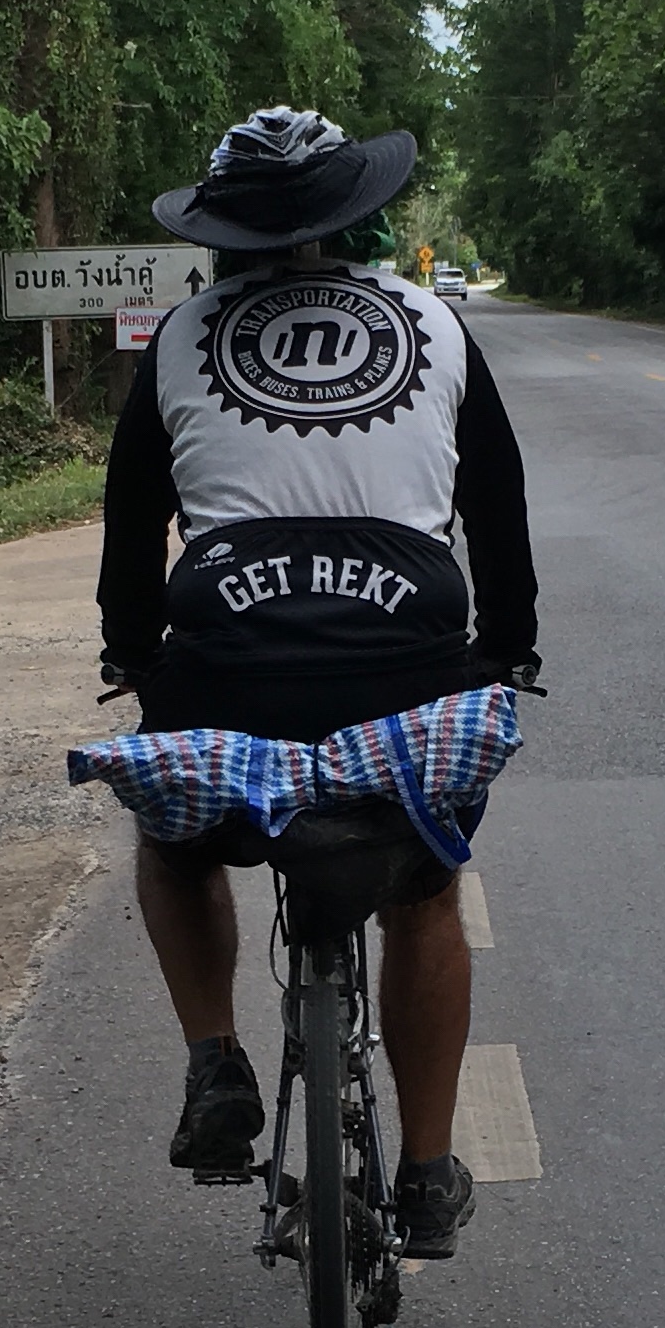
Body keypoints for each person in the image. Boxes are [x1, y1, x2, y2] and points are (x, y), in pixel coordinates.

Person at [96, 105, 539, 1261]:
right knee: (425, 889)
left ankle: (213, 1060)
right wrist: (507, 651)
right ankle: (429, 1172)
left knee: (175, 843)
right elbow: (496, 507)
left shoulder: (180, 338)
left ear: (223, 233)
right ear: (359, 215)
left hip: (228, 674)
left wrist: (134, 656)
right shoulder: (434, 324)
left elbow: (132, 527)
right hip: (407, 675)